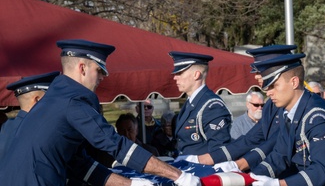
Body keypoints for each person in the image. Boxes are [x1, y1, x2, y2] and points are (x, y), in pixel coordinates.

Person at [0, 39, 199, 186]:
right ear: (82, 68)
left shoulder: (56, 97)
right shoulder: (73, 100)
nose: (103, 76)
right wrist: (178, 175)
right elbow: (114, 144)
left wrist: (131, 184)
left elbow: (80, 164)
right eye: (100, 70)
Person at [249, 52, 325, 186]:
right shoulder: (289, 112)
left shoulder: (318, 118)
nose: (268, 92)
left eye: (274, 85)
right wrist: (251, 177)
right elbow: (280, 155)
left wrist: (279, 184)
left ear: (294, 82)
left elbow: (322, 170)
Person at [181, 45, 295, 172]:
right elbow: (251, 139)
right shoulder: (270, 105)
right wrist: (202, 159)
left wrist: (240, 166)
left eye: (261, 71)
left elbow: (274, 145)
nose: (256, 76)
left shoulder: (310, 109)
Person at [168, 51, 233, 157]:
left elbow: (218, 151)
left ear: (196, 75)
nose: (175, 77)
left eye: (180, 73)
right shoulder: (192, 102)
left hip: (203, 171)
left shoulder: (212, 106)